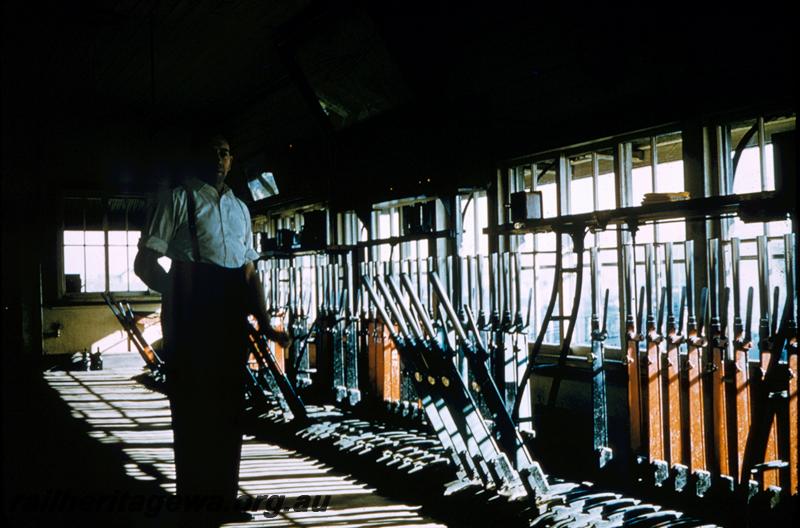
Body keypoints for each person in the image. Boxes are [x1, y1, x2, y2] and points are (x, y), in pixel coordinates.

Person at [134, 134, 288, 524]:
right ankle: (193, 502)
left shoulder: (240, 208)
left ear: (232, 160)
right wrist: (178, 293)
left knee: (229, 406)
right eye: (211, 152)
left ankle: (224, 498)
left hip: (229, 312)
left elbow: (249, 272)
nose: (219, 158)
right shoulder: (178, 199)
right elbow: (145, 263)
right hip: (190, 311)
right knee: (192, 406)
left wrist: (266, 323)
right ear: (198, 159)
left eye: (225, 153)